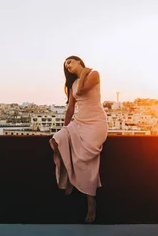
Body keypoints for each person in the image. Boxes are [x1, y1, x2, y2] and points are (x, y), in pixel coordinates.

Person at [49, 55, 108, 224]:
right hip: (79, 122)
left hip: (96, 123)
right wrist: (66, 127)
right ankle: (69, 176)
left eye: (70, 62)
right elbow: (70, 109)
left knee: (86, 160)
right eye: (65, 65)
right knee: (57, 140)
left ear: (79, 62)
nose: (67, 65)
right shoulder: (72, 84)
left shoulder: (93, 74)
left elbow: (82, 91)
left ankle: (91, 202)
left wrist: (84, 72)